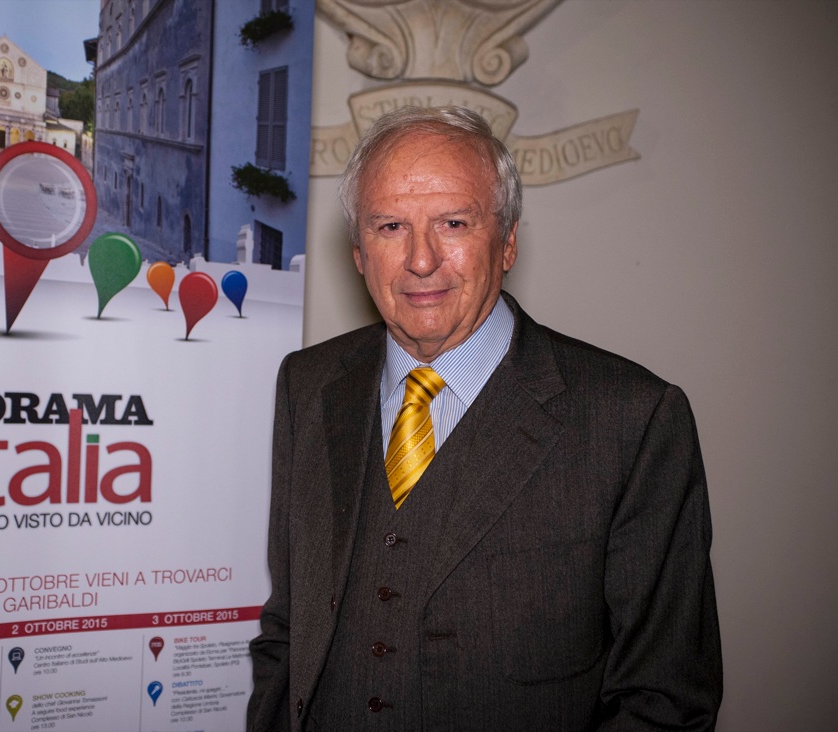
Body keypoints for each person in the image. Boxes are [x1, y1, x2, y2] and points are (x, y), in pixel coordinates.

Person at [248, 106, 722, 731]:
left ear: (507, 242)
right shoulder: (306, 387)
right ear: (359, 252)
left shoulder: (632, 420)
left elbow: (664, 699)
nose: (421, 259)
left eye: (453, 222)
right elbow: (288, 630)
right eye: (390, 226)